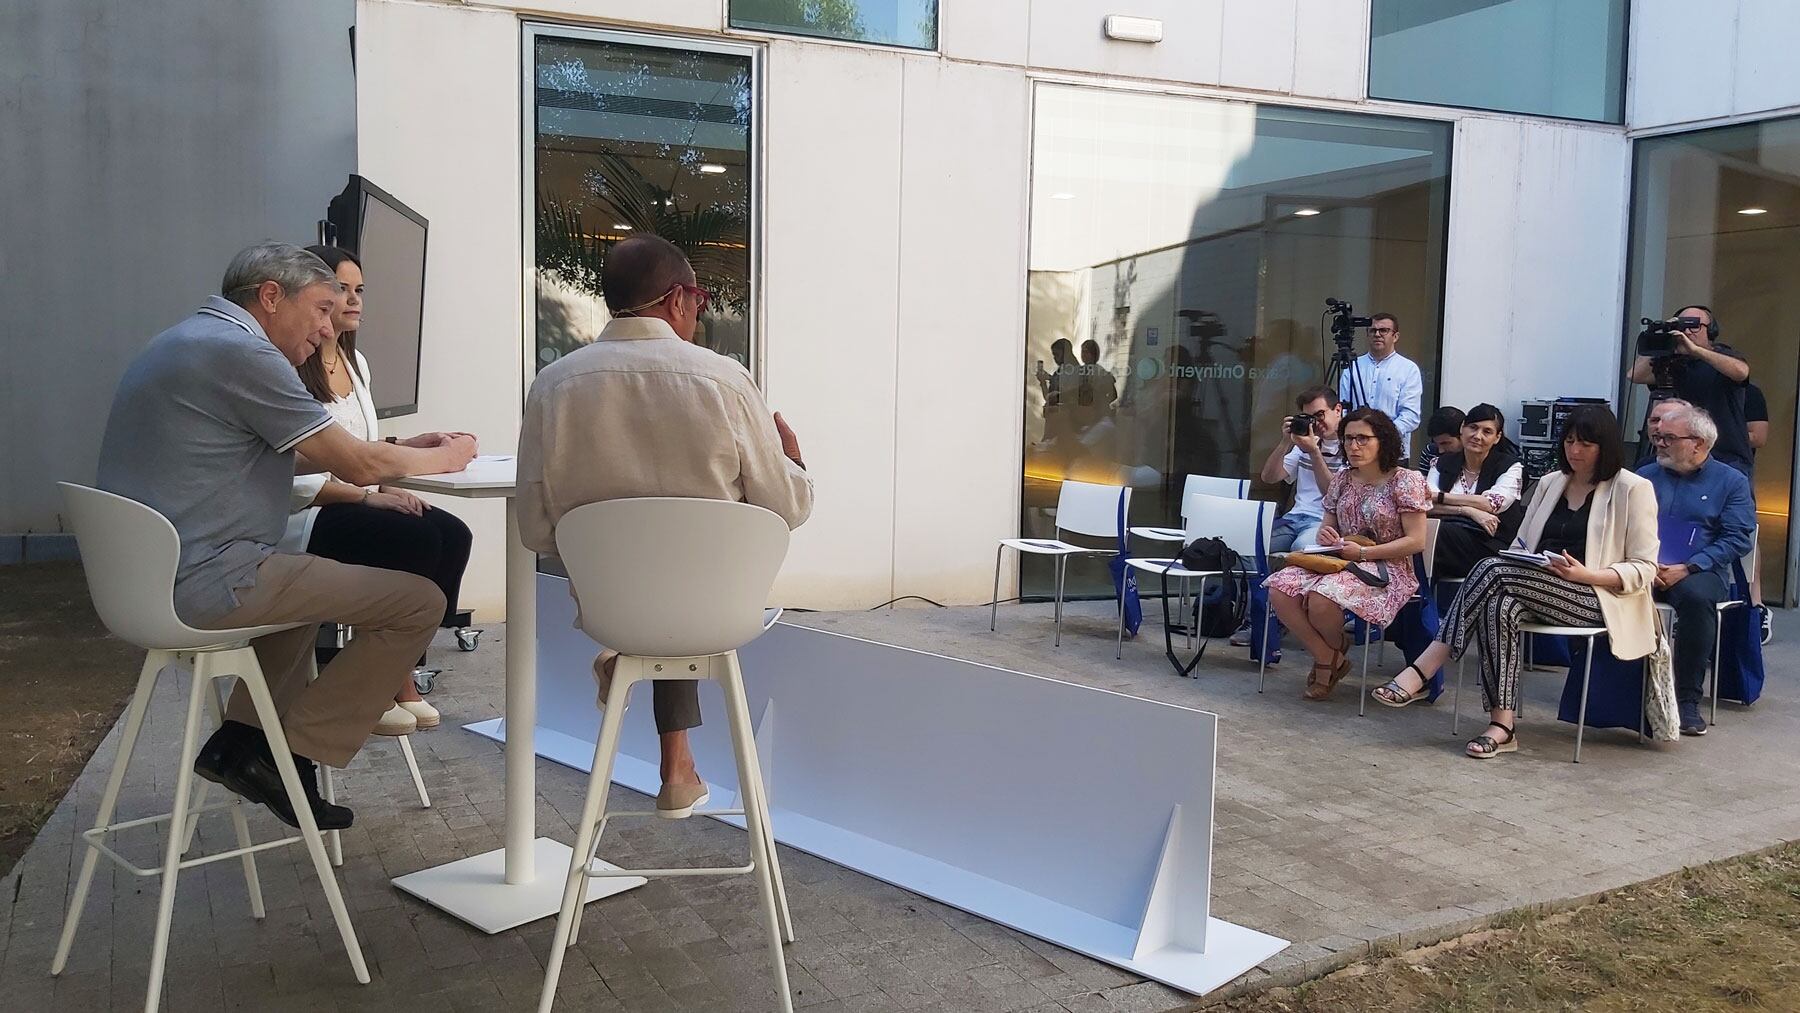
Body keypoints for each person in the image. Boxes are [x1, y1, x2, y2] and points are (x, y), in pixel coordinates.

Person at [97, 242, 477, 830]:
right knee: (420, 603)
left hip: (146, 583)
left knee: (304, 596)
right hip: (208, 580)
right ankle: (289, 753)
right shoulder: (244, 354)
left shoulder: (186, 339)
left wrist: (401, 449)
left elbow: (287, 454)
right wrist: (448, 457)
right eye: (322, 308)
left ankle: (240, 745)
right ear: (271, 297)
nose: (328, 327)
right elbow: (356, 465)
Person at [519, 234, 813, 819]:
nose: (699, 314)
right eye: (699, 301)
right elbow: (787, 507)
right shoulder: (725, 381)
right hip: (715, 607)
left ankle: (648, 700)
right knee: (690, 555)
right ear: (678, 299)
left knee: (655, 566)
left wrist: (606, 542)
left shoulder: (553, 385)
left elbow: (535, 529)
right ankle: (676, 764)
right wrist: (794, 464)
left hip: (612, 606)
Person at [1372, 406, 1659, 759]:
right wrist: (1528, 561)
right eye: (1569, 441)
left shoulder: (1634, 488)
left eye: (1585, 444)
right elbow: (1521, 547)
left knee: (1492, 568)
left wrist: (1586, 575)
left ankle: (1426, 665)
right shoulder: (1551, 483)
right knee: (1499, 606)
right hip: (1537, 584)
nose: (1574, 450)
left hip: (1599, 596)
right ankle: (1502, 726)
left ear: (1606, 446)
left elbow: (1645, 567)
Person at [277, 245, 476, 736]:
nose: (352, 301)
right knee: (412, 539)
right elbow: (292, 470)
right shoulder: (289, 364)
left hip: (358, 496)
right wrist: (369, 495)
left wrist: (403, 450)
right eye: (340, 290)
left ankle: (395, 669)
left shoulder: (356, 362)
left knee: (453, 535)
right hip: (307, 509)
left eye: (359, 290)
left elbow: (359, 446)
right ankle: (376, 683)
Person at [1263, 408, 1431, 700]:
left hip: (1387, 568)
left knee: (1321, 598)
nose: (1354, 446)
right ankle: (1329, 656)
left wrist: (1364, 552)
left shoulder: (1405, 480)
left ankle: (1327, 664)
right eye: (1349, 438)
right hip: (1342, 560)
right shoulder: (1342, 479)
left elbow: (1416, 541)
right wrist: (1327, 537)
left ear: (1383, 441)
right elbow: (1327, 527)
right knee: (1279, 588)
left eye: (1363, 439)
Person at [1638, 403, 1756, 735]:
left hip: (1700, 570)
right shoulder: (1645, 475)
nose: (1659, 443)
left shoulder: (1731, 482)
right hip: (1645, 564)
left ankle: (1687, 699)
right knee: (1610, 586)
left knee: (1696, 599)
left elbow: (1737, 538)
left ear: (1698, 444)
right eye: (1658, 437)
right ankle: (1620, 691)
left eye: (1669, 438)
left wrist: (1689, 566)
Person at [1628, 304, 1753, 477]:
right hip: (1679, 454)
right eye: (1682, 325)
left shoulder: (1722, 355)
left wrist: (1695, 350)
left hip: (1725, 454)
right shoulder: (1673, 361)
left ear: (1711, 331)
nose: (1687, 331)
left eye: (1694, 325)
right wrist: (1661, 339)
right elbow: (1634, 375)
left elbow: (1741, 371)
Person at [1424, 403, 1525, 581]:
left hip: (1488, 545)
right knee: (1420, 528)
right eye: (1473, 427)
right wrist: (1468, 511)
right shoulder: (1440, 463)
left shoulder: (1510, 467)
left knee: (1431, 533)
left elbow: (1492, 504)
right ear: (1462, 429)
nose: (1477, 436)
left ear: (1497, 437)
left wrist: (1441, 497)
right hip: (1446, 540)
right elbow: (1424, 504)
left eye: (1487, 432)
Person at [1258, 385, 1344, 553]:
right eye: (1310, 418)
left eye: (1320, 415)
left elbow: (1333, 494)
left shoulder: (1350, 447)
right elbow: (1269, 477)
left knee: (1301, 548)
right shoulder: (1305, 444)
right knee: (1250, 546)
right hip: (1293, 518)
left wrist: (1314, 452)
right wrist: (1285, 442)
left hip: (1324, 521)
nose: (1316, 423)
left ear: (1338, 410)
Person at [1338, 312, 1423, 456]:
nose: (1377, 334)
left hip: (1391, 450)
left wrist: (1381, 435)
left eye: (1383, 330)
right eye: (1373, 330)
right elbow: (1342, 408)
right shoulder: (1353, 366)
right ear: (1367, 335)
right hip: (1356, 448)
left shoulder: (1408, 369)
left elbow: (1410, 415)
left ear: (1395, 336)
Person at [1743, 382, 1772, 644]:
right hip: (1683, 466)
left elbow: (1759, 437)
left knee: (1746, 531)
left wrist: (1705, 433)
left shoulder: (1748, 392)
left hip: (1734, 464)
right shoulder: (1684, 382)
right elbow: (1635, 374)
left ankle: (1756, 604)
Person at [1417, 405, 1465, 474]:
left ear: (1462, 436)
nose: (1440, 451)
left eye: (1445, 443)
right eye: (1436, 443)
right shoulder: (1430, 452)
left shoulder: (1475, 458)